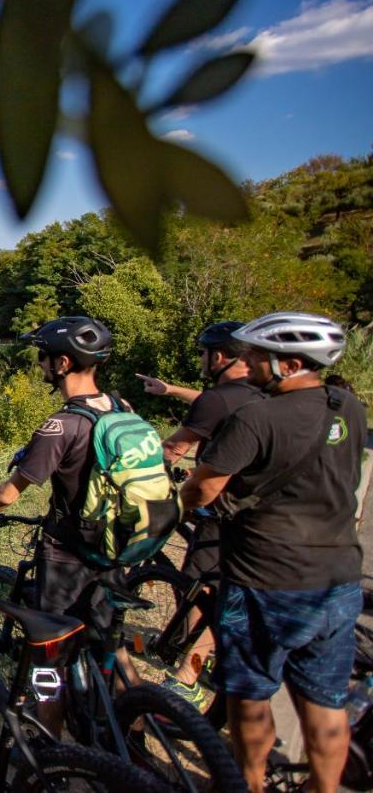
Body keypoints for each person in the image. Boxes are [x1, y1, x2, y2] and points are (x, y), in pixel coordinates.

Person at [180, 312, 366, 793]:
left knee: (249, 693)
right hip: (337, 579)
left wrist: (185, 498)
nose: (248, 363)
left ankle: (248, 783)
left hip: (264, 578)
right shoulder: (348, 406)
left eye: (258, 356)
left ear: (290, 364)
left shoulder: (255, 417)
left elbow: (205, 488)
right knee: (325, 703)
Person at [0, 315, 125, 731]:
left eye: (44, 357)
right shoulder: (121, 407)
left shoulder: (61, 425)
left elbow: (8, 494)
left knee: (50, 655)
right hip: (115, 545)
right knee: (106, 637)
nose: (40, 364)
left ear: (62, 364)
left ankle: (49, 740)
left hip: (66, 555)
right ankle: (131, 725)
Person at [137, 321, 266, 709]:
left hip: (221, 506)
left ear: (220, 357)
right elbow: (220, 402)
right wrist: (172, 390)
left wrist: (138, 469)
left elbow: (174, 449)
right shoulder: (266, 390)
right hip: (264, 509)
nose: (201, 360)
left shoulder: (216, 401)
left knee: (202, 588)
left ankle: (188, 673)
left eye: (204, 353)